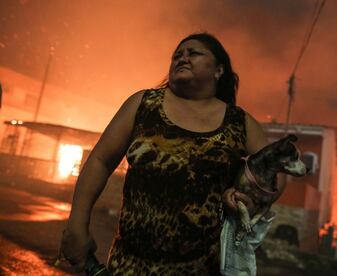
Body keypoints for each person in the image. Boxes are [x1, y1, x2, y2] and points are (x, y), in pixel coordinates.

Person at [60, 32, 285, 275]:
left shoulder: (239, 122)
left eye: (194, 53)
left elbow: (277, 173)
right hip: (129, 266)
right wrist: (77, 223)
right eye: (177, 55)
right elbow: (100, 161)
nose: (182, 58)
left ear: (219, 70)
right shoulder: (143, 104)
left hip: (201, 268)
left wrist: (248, 196)